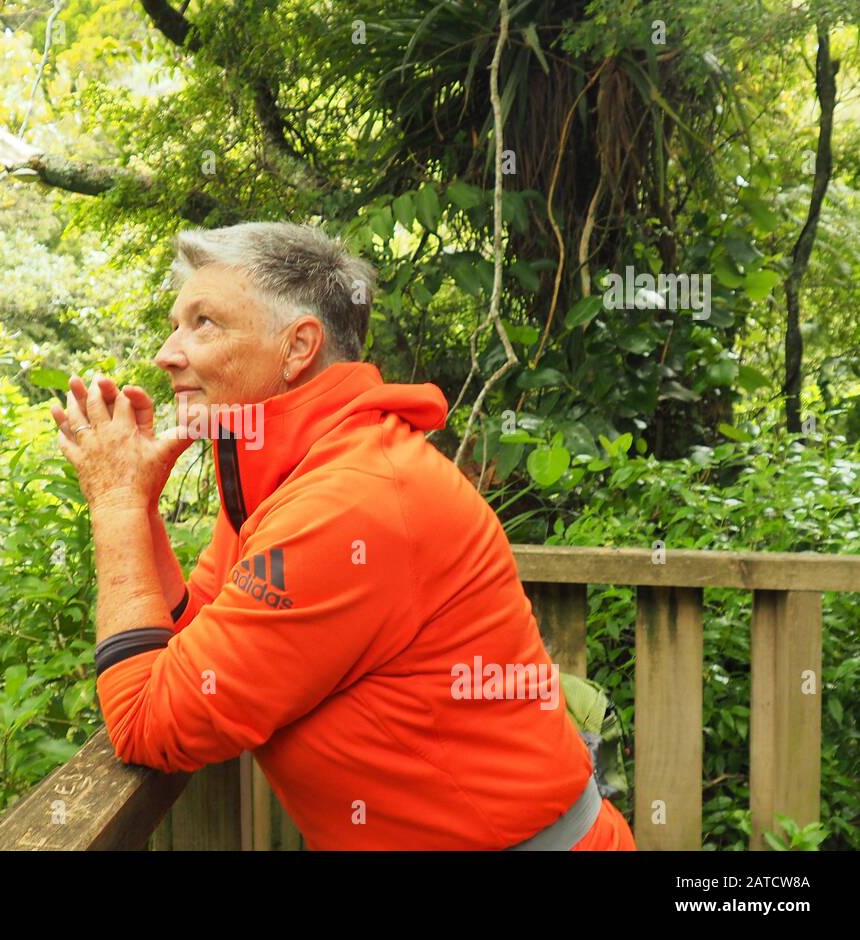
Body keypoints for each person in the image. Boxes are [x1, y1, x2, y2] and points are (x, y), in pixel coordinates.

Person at [49, 221, 636, 850]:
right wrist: (138, 509)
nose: (168, 351)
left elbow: (147, 721)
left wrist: (112, 503)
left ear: (298, 347)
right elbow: (200, 648)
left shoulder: (350, 499)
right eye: (175, 324)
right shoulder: (281, 478)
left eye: (204, 323)